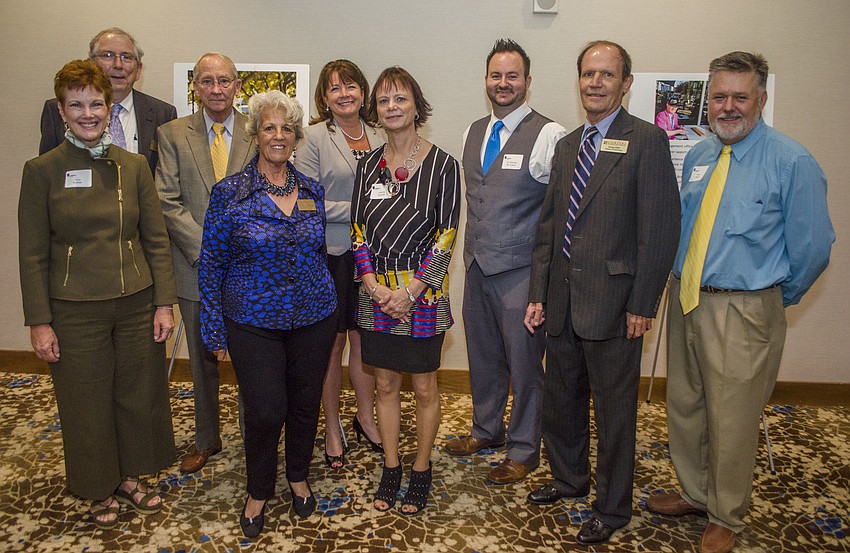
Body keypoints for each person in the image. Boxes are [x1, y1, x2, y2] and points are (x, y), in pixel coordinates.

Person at [646, 51, 834, 553]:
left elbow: (814, 248)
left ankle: (726, 514)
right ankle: (696, 493)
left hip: (744, 307)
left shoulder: (792, 161)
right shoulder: (703, 156)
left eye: (740, 97)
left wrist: (772, 298)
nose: (728, 107)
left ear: (762, 100)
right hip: (687, 299)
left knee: (732, 417)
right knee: (685, 405)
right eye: (719, 96)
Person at [524, 41, 680, 545]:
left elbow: (660, 229)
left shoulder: (647, 141)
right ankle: (569, 480)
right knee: (561, 401)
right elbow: (550, 228)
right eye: (588, 73)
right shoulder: (569, 144)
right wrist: (539, 293)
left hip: (616, 306)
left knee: (614, 416)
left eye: (606, 74)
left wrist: (643, 302)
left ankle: (612, 509)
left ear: (626, 83)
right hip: (563, 302)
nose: (595, 82)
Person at [19, 59, 177, 529]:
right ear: (62, 111)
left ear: (109, 107)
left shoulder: (132, 167)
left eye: (95, 104)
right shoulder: (42, 171)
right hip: (74, 310)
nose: (88, 113)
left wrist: (164, 301)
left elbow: (155, 239)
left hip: (135, 302)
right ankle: (96, 485)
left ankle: (129, 475)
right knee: (85, 400)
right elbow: (32, 254)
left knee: (136, 393)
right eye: (76, 105)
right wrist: (39, 321)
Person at [199, 90, 338, 537]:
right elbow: (212, 263)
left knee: (303, 404)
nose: (278, 135)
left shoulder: (311, 191)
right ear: (256, 134)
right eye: (269, 127)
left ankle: (297, 477)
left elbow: (319, 251)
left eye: (286, 128)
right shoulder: (230, 194)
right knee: (264, 410)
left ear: (296, 137)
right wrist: (213, 327)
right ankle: (258, 489)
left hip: (314, 317)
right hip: (252, 321)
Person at [445, 39, 566, 484]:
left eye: (512, 76)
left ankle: (523, 448)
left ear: (527, 82)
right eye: (496, 76)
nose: (503, 83)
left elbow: (558, 213)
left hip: (521, 272)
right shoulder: (473, 132)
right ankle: (486, 430)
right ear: (486, 81)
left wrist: (547, 282)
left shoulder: (549, 135)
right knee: (484, 356)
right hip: (476, 267)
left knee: (525, 364)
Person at [352, 67, 460, 515]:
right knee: (385, 384)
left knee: (425, 387)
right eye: (383, 101)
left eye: (400, 99)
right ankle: (391, 467)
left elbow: (447, 234)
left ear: (416, 104)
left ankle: (420, 469)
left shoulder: (444, 165)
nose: (391, 108)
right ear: (375, 111)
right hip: (376, 294)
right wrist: (375, 286)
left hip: (424, 296)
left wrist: (411, 290)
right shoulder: (366, 166)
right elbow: (358, 232)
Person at [155, 52, 255, 474]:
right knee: (202, 362)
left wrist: (239, 248)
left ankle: (257, 438)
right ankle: (205, 439)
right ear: (196, 86)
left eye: (225, 81)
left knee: (253, 359)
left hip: (250, 270)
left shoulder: (257, 131)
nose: (216, 89)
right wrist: (210, 248)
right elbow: (167, 199)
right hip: (195, 266)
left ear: (237, 86)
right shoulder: (172, 133)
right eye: (207, 81)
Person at [294, 60, 385, 470]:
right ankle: (332, 427)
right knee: (331, 346)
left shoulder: (383, 133)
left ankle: (365, 418)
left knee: (366, 343)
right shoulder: (313, 138)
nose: (344, 94)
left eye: (350, 85)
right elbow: (305, 201)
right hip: (331, 256)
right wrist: (360, 211)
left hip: (377, 256)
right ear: (324, 98)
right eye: (334, 89)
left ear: (363, 92)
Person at [39, 28, 177, 176]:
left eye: (127, 57)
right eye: (108, 55)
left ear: (138, 70)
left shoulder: (163, 114)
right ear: (91, 63)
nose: (118, 64)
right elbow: (47, 173)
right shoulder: (56, 111)